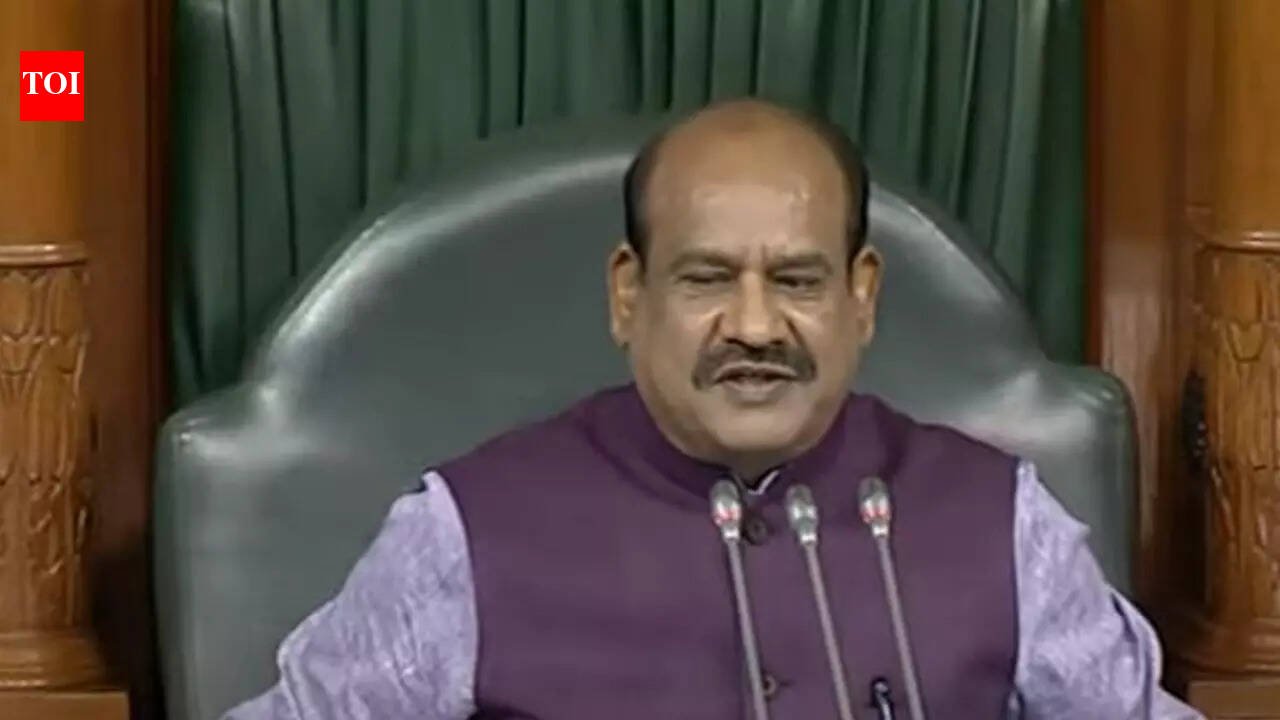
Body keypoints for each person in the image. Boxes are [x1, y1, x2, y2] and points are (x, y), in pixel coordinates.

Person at [224, 99, 1202, 719]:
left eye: (797, 280)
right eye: (705, 279)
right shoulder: (462, 537)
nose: (754, 326)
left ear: (861, 296)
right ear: (627, 295)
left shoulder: (1002, 521)